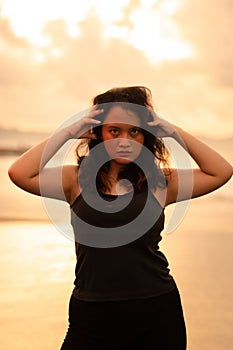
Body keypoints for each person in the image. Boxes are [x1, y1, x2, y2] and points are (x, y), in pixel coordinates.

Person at [8, 86, 232, 350]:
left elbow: (221, 172)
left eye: (134, 131)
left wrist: (172, 131)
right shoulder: (74, 179)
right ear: (99, 132)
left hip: (156, 312)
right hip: (91, 313)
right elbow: (19, 173)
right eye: (114, 130)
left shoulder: (161, 182)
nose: (124, 139)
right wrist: (68, 133)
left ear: (145, 135)